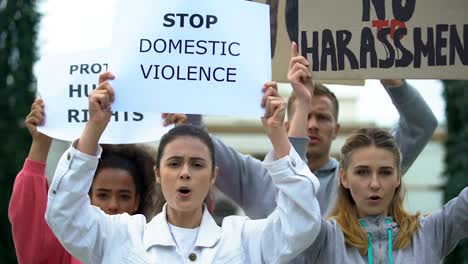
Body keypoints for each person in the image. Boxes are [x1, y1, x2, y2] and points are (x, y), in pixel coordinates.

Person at [45, 72, 321, 263]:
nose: (185, 172)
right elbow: (64, 215)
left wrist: (277, 135)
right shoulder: (120, 235)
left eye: (198, 164)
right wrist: (94, 128)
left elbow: (301, 222)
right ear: (157, 173)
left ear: (214, 176)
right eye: (174, 163)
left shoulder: (244, 238)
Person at [189, 42, 438, 218]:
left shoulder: (359, 177)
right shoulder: (254, 176)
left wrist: (393, 81)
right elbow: (198, 145)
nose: (312, 125)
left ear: (336, 129)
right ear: (285, 126)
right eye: (305, 115)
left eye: (323, 117)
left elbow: (420, 125)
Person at [8, 99, 163, 264]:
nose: (113, 205)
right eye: (103, 195)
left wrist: (179, 135)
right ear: (85, 197)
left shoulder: (159, 249)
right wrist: (41, 143)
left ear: (137, 202)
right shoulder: (64, 250)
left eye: (124, 196)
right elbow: (30, 224)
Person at [293, 127, 468, 263]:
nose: (375, 184)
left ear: (398, 177)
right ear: (344, 178)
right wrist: (301, 103)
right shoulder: (324, 238)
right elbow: (293, 185)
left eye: (385, 172)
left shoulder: (428, 233)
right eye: (362, 172)